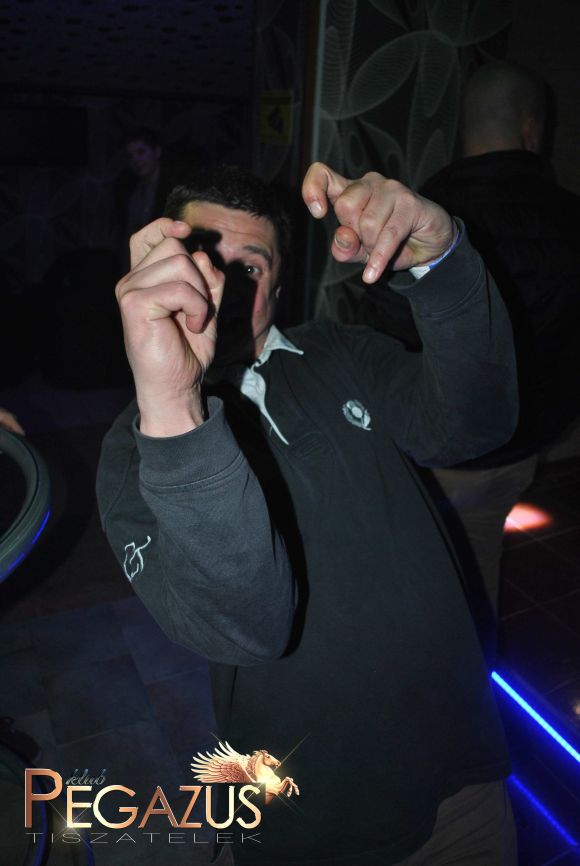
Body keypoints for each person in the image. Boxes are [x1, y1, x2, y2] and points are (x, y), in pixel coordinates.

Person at [97, 162, 518, 865]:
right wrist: (172, 400)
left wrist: (444, 261)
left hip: (458, 779)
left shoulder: (343, 351)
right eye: (202, 261)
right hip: (300, 819)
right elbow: (247, 626)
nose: (223, 285)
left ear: (279, 286)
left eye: (250, 265)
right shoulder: (137, 447)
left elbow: (476, 425)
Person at [356, 61, 580, 657]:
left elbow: (382, 339)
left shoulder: (414, 216)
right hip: (523, 440)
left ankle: (422, 676)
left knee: (405, 570)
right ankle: (465, 671)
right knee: (478, 561)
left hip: (436, 450)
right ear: (532, 128)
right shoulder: (570, 217)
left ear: (462, 128)